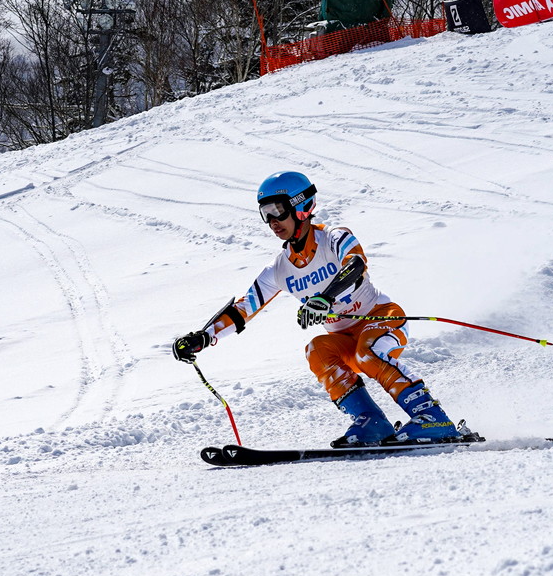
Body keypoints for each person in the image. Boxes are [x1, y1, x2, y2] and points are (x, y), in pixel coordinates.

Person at [171, 171, 463, 446]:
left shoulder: (334, 237)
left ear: (302, 206)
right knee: (317, 350)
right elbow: (244, 308)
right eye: (265, 214)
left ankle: (434, 419)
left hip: (383, 318)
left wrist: (325, 297)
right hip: (344, 337)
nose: (272, 221)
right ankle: (372, 423)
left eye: (277, 210)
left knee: (368, 352)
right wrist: (203, 337)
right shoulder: (279, 268)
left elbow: (356, 264)